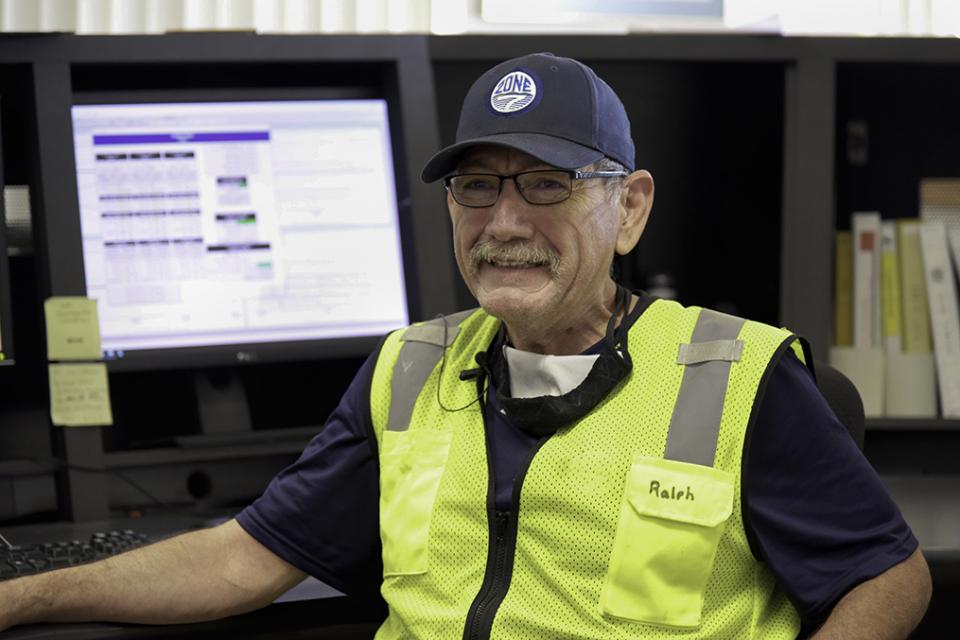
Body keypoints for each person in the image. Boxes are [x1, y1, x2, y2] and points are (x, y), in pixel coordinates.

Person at [0, 52, 931, 639]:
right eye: (477, 188)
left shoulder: (735, 376)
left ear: (630, 206)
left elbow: (891, 577)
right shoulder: (407, 368)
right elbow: (246, 558)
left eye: (546, 184)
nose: (506, 221)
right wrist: (25, 599)